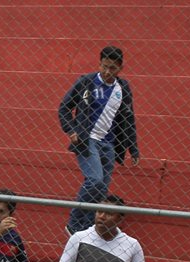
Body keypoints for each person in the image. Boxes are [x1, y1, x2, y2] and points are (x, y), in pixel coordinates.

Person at [58, 46, 140, 235]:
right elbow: (64, 107)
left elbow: (128, 119)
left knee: (102, 189)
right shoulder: (86, 82)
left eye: (112, 68)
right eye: (104, 66)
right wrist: (71, 130)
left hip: (109, 145)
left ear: (120, 68)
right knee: (94, 180)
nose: (107, 72)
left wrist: (133, 148)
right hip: (88, 141)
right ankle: (74, 223)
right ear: (99, 63)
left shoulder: (123, 89)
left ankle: (87, 227)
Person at [51, 194, 153, 262]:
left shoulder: (132, 245)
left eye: (109, 213)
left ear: (120, 217)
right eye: (99, 211)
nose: (102, 216)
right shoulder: (79, 238)